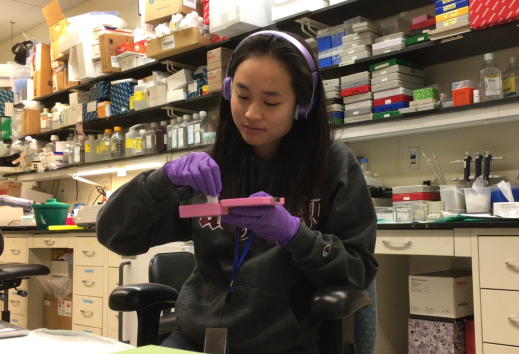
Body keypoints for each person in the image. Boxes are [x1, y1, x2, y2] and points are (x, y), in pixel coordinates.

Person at [97, 30, 378, 354]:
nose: (251, 114)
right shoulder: (208, 170)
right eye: (242, 96)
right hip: (195, 339)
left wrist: (293, 234)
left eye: (270, 102)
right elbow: (114, 235)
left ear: (302, 106)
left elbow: (357, 272)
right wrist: (162, 179)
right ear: (229, 91)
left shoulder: (332, 165)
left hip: (286, 343)